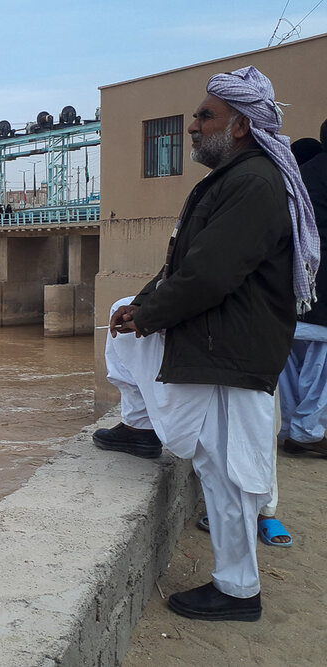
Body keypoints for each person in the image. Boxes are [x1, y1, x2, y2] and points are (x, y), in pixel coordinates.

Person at [93, 66, 318, 622]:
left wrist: (152, 316)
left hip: (233, 353)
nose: (192, 126)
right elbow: (185, 267)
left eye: (204, 116)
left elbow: (212, 275)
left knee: (233, 474)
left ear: (240, 125)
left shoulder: (253, 182)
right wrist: (143, 308)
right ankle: (140, 427)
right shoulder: (240, 178)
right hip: (224, 343)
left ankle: (239, 591)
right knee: (124, 331)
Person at [280, 121, 327, 458]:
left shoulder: (294, 179)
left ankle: (290, 428)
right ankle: (307, 432)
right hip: (322, 291)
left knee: (289, 363)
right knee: (321, 367)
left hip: (290, 289)